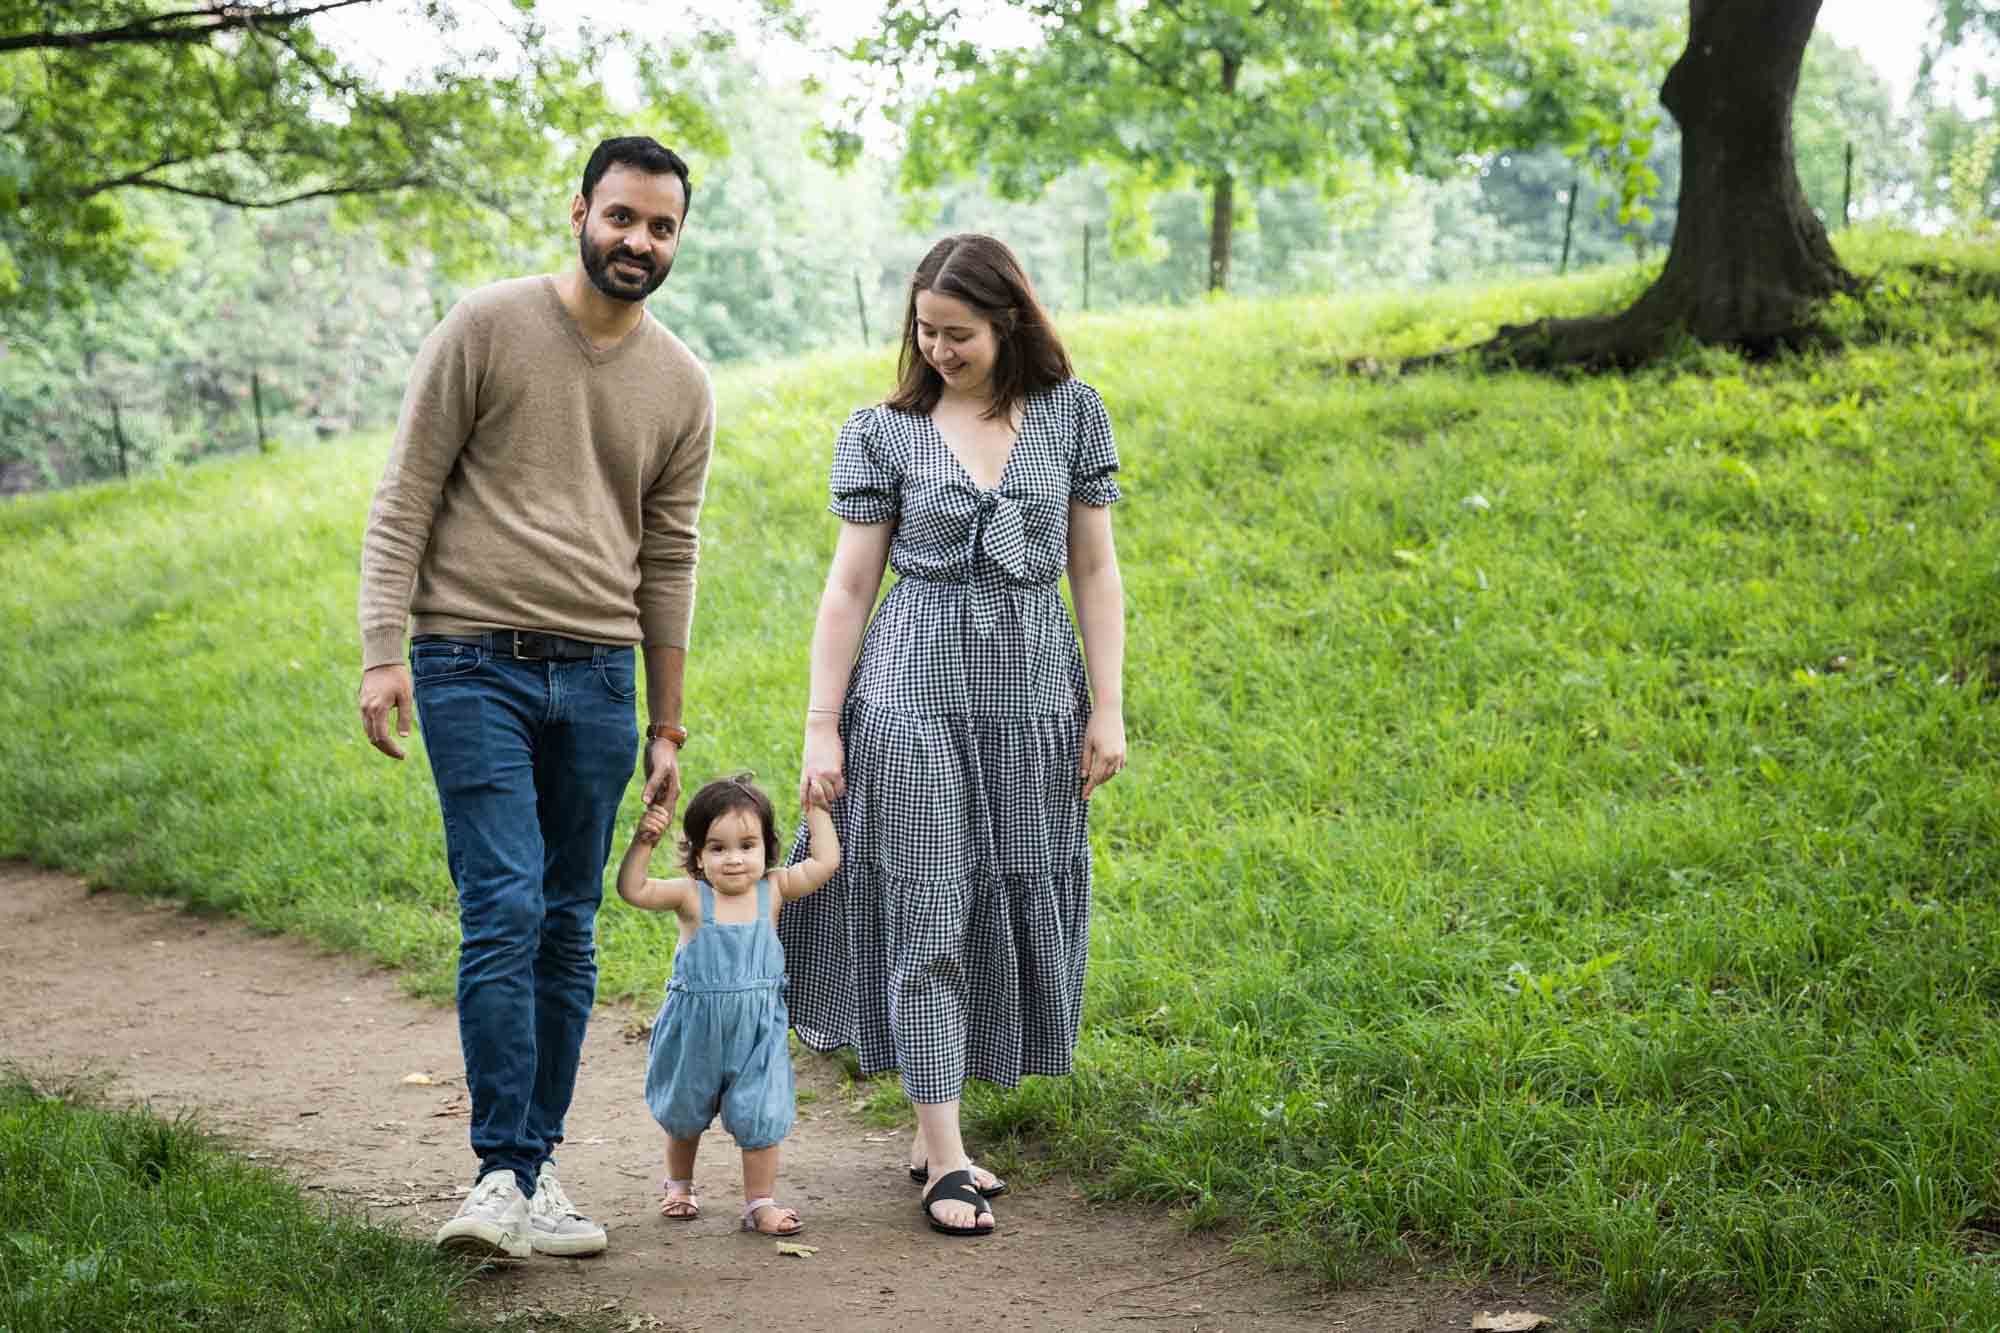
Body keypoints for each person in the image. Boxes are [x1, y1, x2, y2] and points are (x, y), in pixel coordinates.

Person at [355, 135, 716, 1261]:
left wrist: (664, 724)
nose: (637, 243)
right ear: (579, 211)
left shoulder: (681, 382)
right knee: (505, 907)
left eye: (659, 227)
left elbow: (670, 556)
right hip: (470, 663)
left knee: (566, 925)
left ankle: (535, 1168)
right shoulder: (486, 325)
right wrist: (381, 649)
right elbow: (406, 489)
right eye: (621, 218)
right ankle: (499, 1175)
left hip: (602, 678)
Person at [780, 233, 1128, 1237]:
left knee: (1010, 897)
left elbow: (1093, 572)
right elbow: (849, 586)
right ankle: (943, 1153)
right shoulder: (883, 433)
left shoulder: (1072, 414)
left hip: (1031, 702)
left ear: (1008, 321)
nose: (936, 348)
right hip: (908, 695)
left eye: (957, 332)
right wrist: (821, 726)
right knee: (926, 906)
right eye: (923, 331)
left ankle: (940, 1126)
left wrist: (1104, 705)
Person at [616, 774, 841, 1236]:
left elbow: (825, 862)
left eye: (747, 844)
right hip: (695, 1029)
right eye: (717, 848)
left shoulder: (774, 891)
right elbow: (633, 890)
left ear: (767, 848)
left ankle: (760, 1203)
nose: (734, 859)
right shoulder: (690, 897)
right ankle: (679, 1184)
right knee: (684, 1110)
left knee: (762, 1112)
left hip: (756, 1031)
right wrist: (643, 841)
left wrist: (817, 810)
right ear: (698, 854)